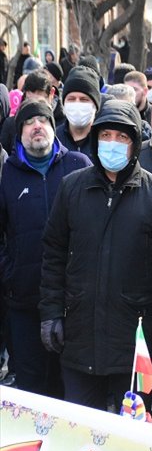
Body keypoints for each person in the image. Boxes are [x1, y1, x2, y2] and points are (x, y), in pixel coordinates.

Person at [39, 100, 152, 411]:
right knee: (81, 434)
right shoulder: (72, 188)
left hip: (134, 344)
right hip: (79, 338)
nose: (112, 144)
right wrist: (50, 313)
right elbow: (54, 254)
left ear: (134, 143)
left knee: (131, 437)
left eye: (122, 137)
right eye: (106, 135)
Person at [0, 101, 91, 397]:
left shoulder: (78, 166)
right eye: (29, 122)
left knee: (71, 390)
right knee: (32, 389)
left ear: (54, 128)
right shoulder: (7, 175)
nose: (37, 126)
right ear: (19, 133)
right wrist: (10, 272)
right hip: (24, 302)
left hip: (74, 303)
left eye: (44, 120)